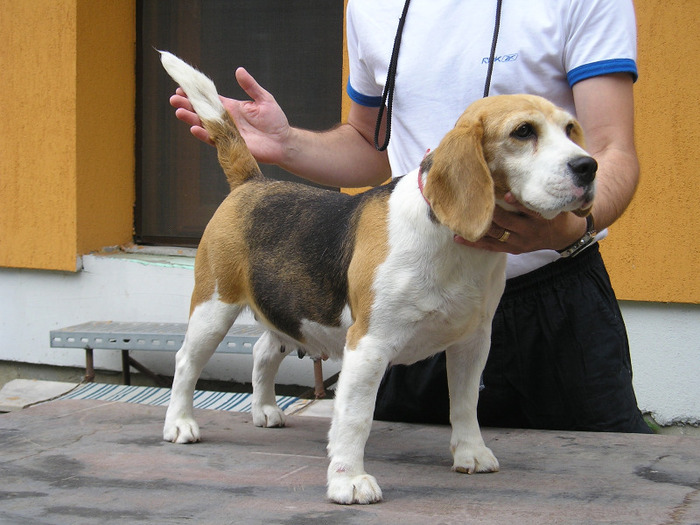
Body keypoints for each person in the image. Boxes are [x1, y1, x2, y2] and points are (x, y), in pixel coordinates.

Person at [170, 0, 651, 433]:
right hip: (412, 298)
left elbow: (608, 150)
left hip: (557, 304)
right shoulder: (369, 6)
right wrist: (288, 145)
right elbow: (368, 144)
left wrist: (571, 225)